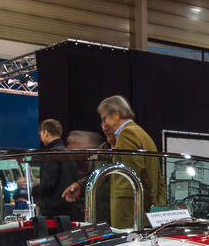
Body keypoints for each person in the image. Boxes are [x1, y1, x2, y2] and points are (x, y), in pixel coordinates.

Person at [62, 95, 162, 229]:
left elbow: (129, 182)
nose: (103, 126)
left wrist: (123, 225)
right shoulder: (141, 134)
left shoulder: (127, 134)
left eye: (104, 119)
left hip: (126, 219)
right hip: (138, 217)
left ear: (116, 114)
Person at [30, 118, 71, 218]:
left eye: (40, 134)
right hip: (68, 209)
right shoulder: (69, 152)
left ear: (46, 133)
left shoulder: (51, 154)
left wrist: (32, 189)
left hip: (53, 213)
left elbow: (48, 184)